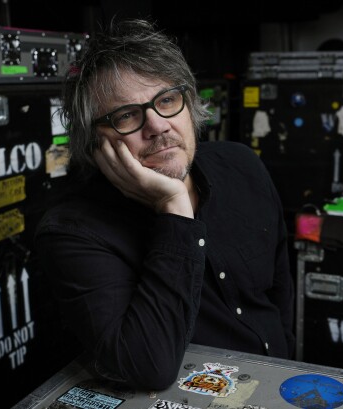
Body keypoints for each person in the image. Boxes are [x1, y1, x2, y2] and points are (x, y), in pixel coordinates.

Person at [34, 18, 295, 391]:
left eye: (167, 100)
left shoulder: (242, 165)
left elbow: (280, 292)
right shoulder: (72, 232)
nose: (157, 125)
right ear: (94, 142)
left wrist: (287, 371)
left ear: (188, 103)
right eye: (126, 115)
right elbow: (147, 367)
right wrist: (173, 209)